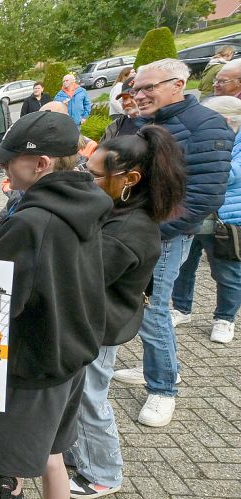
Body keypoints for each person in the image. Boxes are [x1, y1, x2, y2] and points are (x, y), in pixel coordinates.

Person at [0, 111, 113, 499]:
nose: (3, 167)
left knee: (6, 470)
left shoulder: (32, 223)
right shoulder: (88, 204)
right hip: (71, 360)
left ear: (41, 164)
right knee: (55, 456)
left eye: (11, 159)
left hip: (31, 372)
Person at [64, 125, 186, 499]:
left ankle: (103, 473)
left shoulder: (128, 230)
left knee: (90, 397)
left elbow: (82, 276)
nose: (87, 178)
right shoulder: (121, 209)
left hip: (99, 328)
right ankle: (80, 453)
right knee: (79, 395)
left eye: (95, 174)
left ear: (130, 179)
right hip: (96, 321)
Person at [112, 58, 234, 427]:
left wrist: (150, 232)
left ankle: (163, 388)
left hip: (163, 238)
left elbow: (204, 197)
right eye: (136, 88)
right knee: (142, 308)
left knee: (153, 311)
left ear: (178, 84)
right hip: (134, 231)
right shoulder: (142, 123)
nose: (140, 94)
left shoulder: (206, 125)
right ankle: (160, 368)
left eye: (150, 87)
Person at [170, 95, 241, 344]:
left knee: (226, 270)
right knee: (184, 264)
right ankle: (181, 308)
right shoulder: (202, 136)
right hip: (194, 211)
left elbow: (227, 174)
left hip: (226, 216)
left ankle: (224, 318)